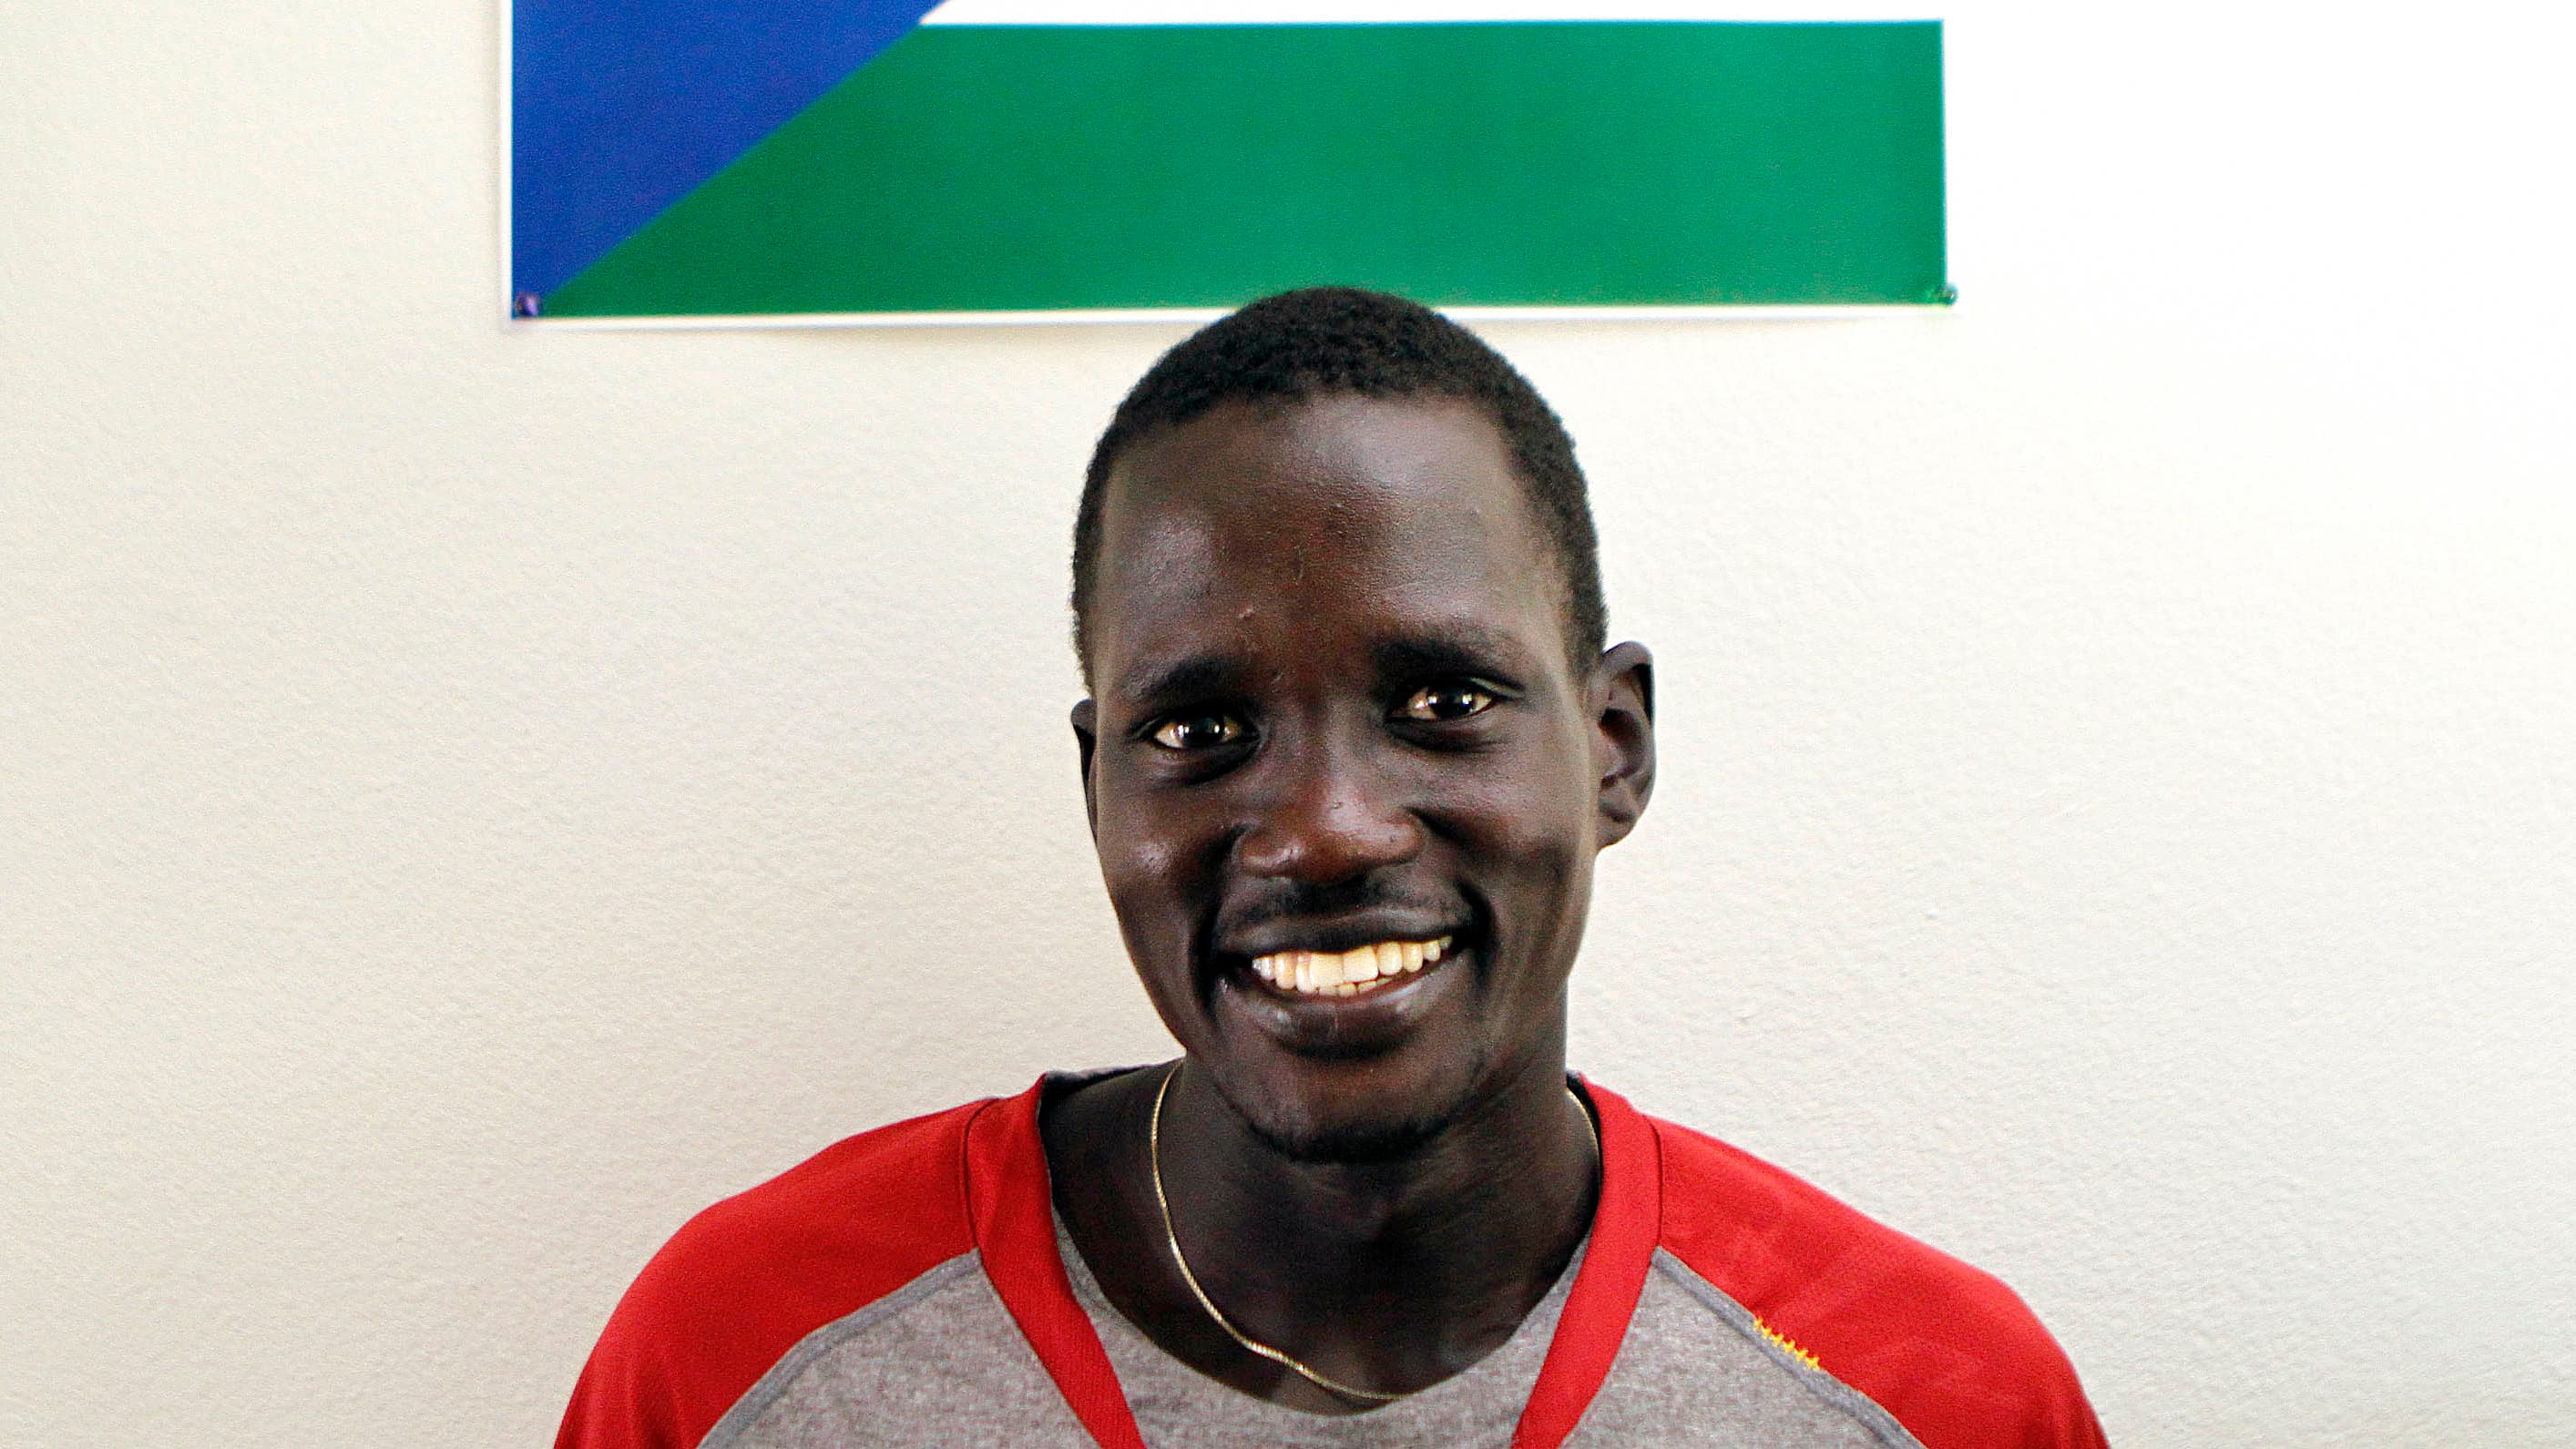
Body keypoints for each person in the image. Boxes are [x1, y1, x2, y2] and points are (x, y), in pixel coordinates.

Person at [555, 288, 2109, 1448]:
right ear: (1097, 788)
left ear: (1615, 745)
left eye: (1443, 703)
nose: (1323, 831)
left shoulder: (1933, 1396)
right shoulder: (745, 1357)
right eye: (1203, 728)